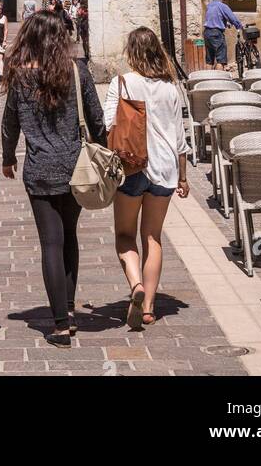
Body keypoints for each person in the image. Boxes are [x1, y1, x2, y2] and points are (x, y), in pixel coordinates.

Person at [1, 10, 106, 346]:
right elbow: (97, 119)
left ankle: (60, 324)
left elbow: (10, 123)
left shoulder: (19, 75)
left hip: (40, 169)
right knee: (70, 236)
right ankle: (70, 310)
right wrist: (103, 151)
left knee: (51, 242)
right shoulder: (78, 71)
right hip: (76, 168)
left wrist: (6, 158)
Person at [104, 27, 189, 331]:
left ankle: (136, 283)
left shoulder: (122, 83)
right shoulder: (171, 88)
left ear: (131, 52)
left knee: (124, 235)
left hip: (132, 168)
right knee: (153, 237)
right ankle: (150, 307)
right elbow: (180, 137)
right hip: (165, 169)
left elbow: (108, 123)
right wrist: (183, 176)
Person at [203, 0, 244, 70]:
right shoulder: (223, 6)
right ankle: (219, 79)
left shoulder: (210, 5)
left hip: (207, 33)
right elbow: (232, 18)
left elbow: (214, 17)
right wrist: (239, 26)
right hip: (216, 33)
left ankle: (208, 79)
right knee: (221, 59)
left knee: (209, 60)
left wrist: (225, 23)